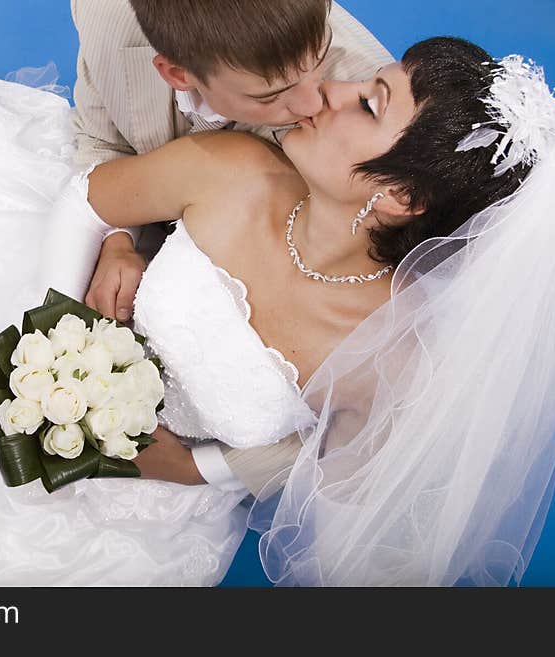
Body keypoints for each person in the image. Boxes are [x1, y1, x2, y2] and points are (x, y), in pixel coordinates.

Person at [0, 33, 555, 586]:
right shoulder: (235, 166)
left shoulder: (391, 354)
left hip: (148, 494)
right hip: (48, 326)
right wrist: (51, 332)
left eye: (367, 102)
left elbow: (314, 455)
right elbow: (88, 195)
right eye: (365, 80)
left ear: (402, 202)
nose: (326, 95)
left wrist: (196, 472)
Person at [48, 0, 392, 496]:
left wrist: (199, 468)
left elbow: (376, 386)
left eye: (317, 61)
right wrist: (117, 240)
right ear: (175, 72)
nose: (313, 104)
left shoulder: (358, 115)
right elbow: (103, 139)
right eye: (272, 94)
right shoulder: (105, 14)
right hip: (140, 233)